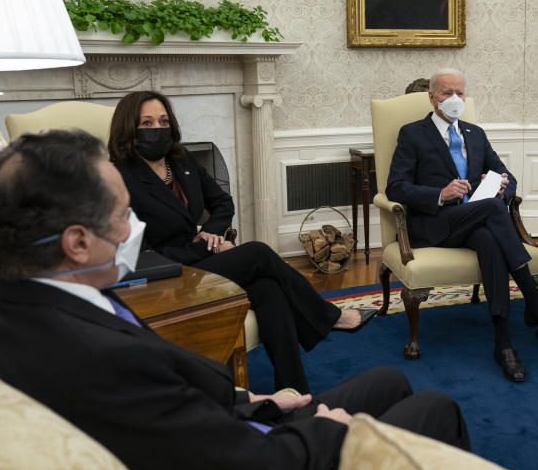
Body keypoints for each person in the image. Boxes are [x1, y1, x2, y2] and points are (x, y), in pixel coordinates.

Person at [0, 129, 470, 470]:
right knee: (436, 410)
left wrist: (259, 403)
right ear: (77, 242)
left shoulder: (2, 318)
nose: (132, 230)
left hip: (222, 440)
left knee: (386, 382)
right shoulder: (96, 358)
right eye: (123, 216)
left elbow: (164, 414)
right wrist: (327, 429)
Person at [108, 91, 376, 393]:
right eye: (147, 122)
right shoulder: (119, 178)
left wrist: (213, 231)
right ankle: (330, 317)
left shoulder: (180, 161)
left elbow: (222, 202)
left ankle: (295, 392)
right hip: (166, 277)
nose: (158, 128)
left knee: (269, 289)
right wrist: (208, 246)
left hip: (199, 259)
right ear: (129, 128)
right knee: (258, 253)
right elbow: (142, 251)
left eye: (163, 120)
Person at [385, 68, 538, 383]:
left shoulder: (475, 133)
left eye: (460, 93)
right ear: (432, 97)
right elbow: (395, 187)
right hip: (434, 224)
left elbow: (508, 176)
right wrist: (439, 193)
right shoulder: (413, 133)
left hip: (474, 221)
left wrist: (504, 184)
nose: (455, 99)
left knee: (489, 238)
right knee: (491, 211)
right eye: (447, 93)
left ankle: (503, 345)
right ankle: (535, 302)